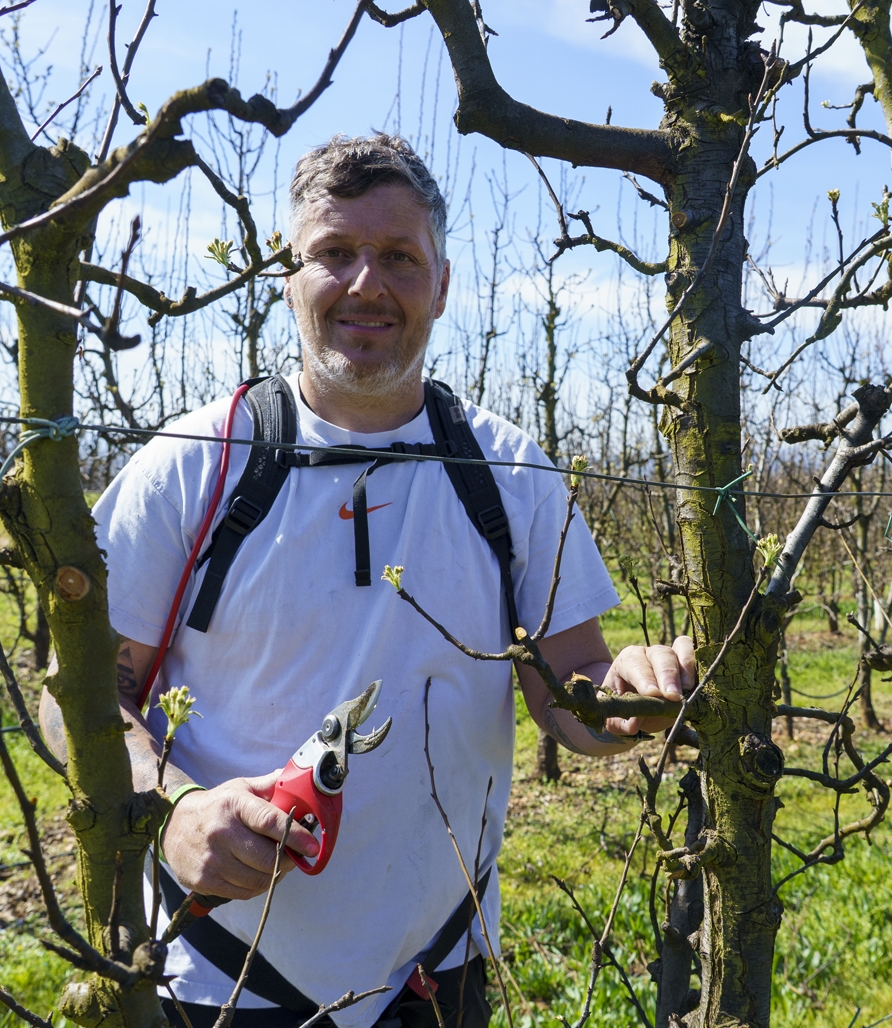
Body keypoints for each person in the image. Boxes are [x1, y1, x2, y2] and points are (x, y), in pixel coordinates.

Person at [41, 134, 695, 1028]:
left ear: (443, 284)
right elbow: (74, 700)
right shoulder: (194, 464)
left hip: (437, 976)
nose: (365, 284)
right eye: (335, 254)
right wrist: (177, 811)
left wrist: (626, 699)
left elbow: (570, 696)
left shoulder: (506, 471)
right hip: (221, 976)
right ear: (288, 275)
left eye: (398, 257)